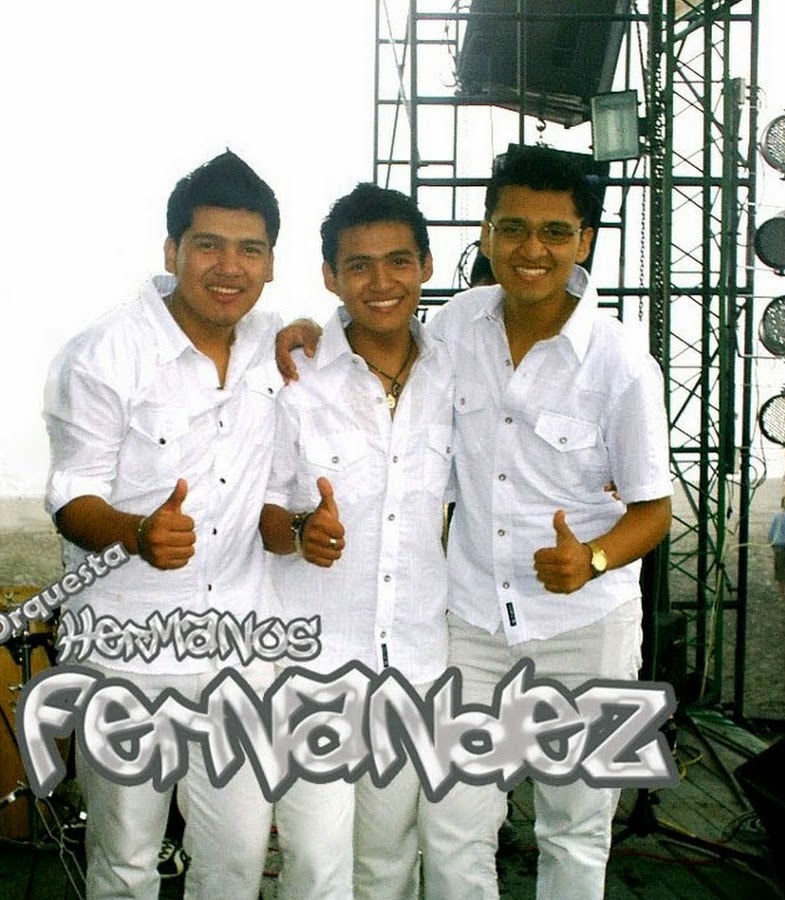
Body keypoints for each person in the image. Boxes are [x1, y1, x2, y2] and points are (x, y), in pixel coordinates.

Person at [276, 145, 673, 899]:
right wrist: (307, 329)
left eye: (555, 232)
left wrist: (592, 557)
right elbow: (375, 331)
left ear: (584, 240)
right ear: (486, 234)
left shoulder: (621, 361)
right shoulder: (456, 326)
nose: (532, 249)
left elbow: (656, 509)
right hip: (473, 627)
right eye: (513, 227)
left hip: (589, 626)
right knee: (454, 826)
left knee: (575, 830)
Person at [43, 150, 282, 900]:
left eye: (250, 249)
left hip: (240, 646)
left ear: (271, 262)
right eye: (209, 245)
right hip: (127, 643)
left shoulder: (273, 345)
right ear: (172, 250)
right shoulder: (102, 353)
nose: (229, 267)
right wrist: (135, 533)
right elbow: (71, 496)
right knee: (126, 861)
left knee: (237, 857)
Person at [260, 182, 492, 900]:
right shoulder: (293, 377)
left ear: (426, 266)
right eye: (358, 265)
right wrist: (300, 531)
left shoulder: (457, 371)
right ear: (330, 276)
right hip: (313, 666)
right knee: (314, 863)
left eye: (398, 261)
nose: (381, 281)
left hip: (415, 662)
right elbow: (261, 511)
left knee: (390, 859)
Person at [769, 495, 785, 600]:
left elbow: (771, 531)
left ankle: (783, 593)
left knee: (780, 571)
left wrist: (771, 542)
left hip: (779, 545)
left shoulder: (777, 516)